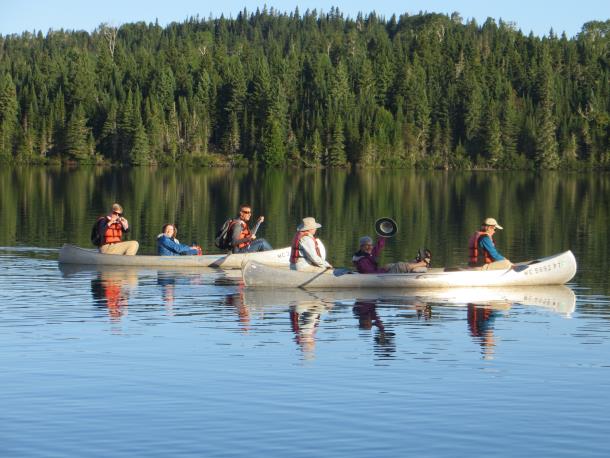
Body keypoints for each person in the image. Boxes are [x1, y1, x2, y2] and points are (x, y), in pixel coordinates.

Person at [352, 236, 429, 274]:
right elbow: (371, 274)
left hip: (379, 273)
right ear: (361, 246)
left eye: (371, 245)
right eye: (367, 245)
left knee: (390, 265)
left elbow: (377, 248)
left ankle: (416, 262)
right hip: (378, 277)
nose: (370, 247)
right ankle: (423, 263)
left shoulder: (365, 254)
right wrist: (383, 270)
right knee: (399, 266)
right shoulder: (361, 260)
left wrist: (383, 235)